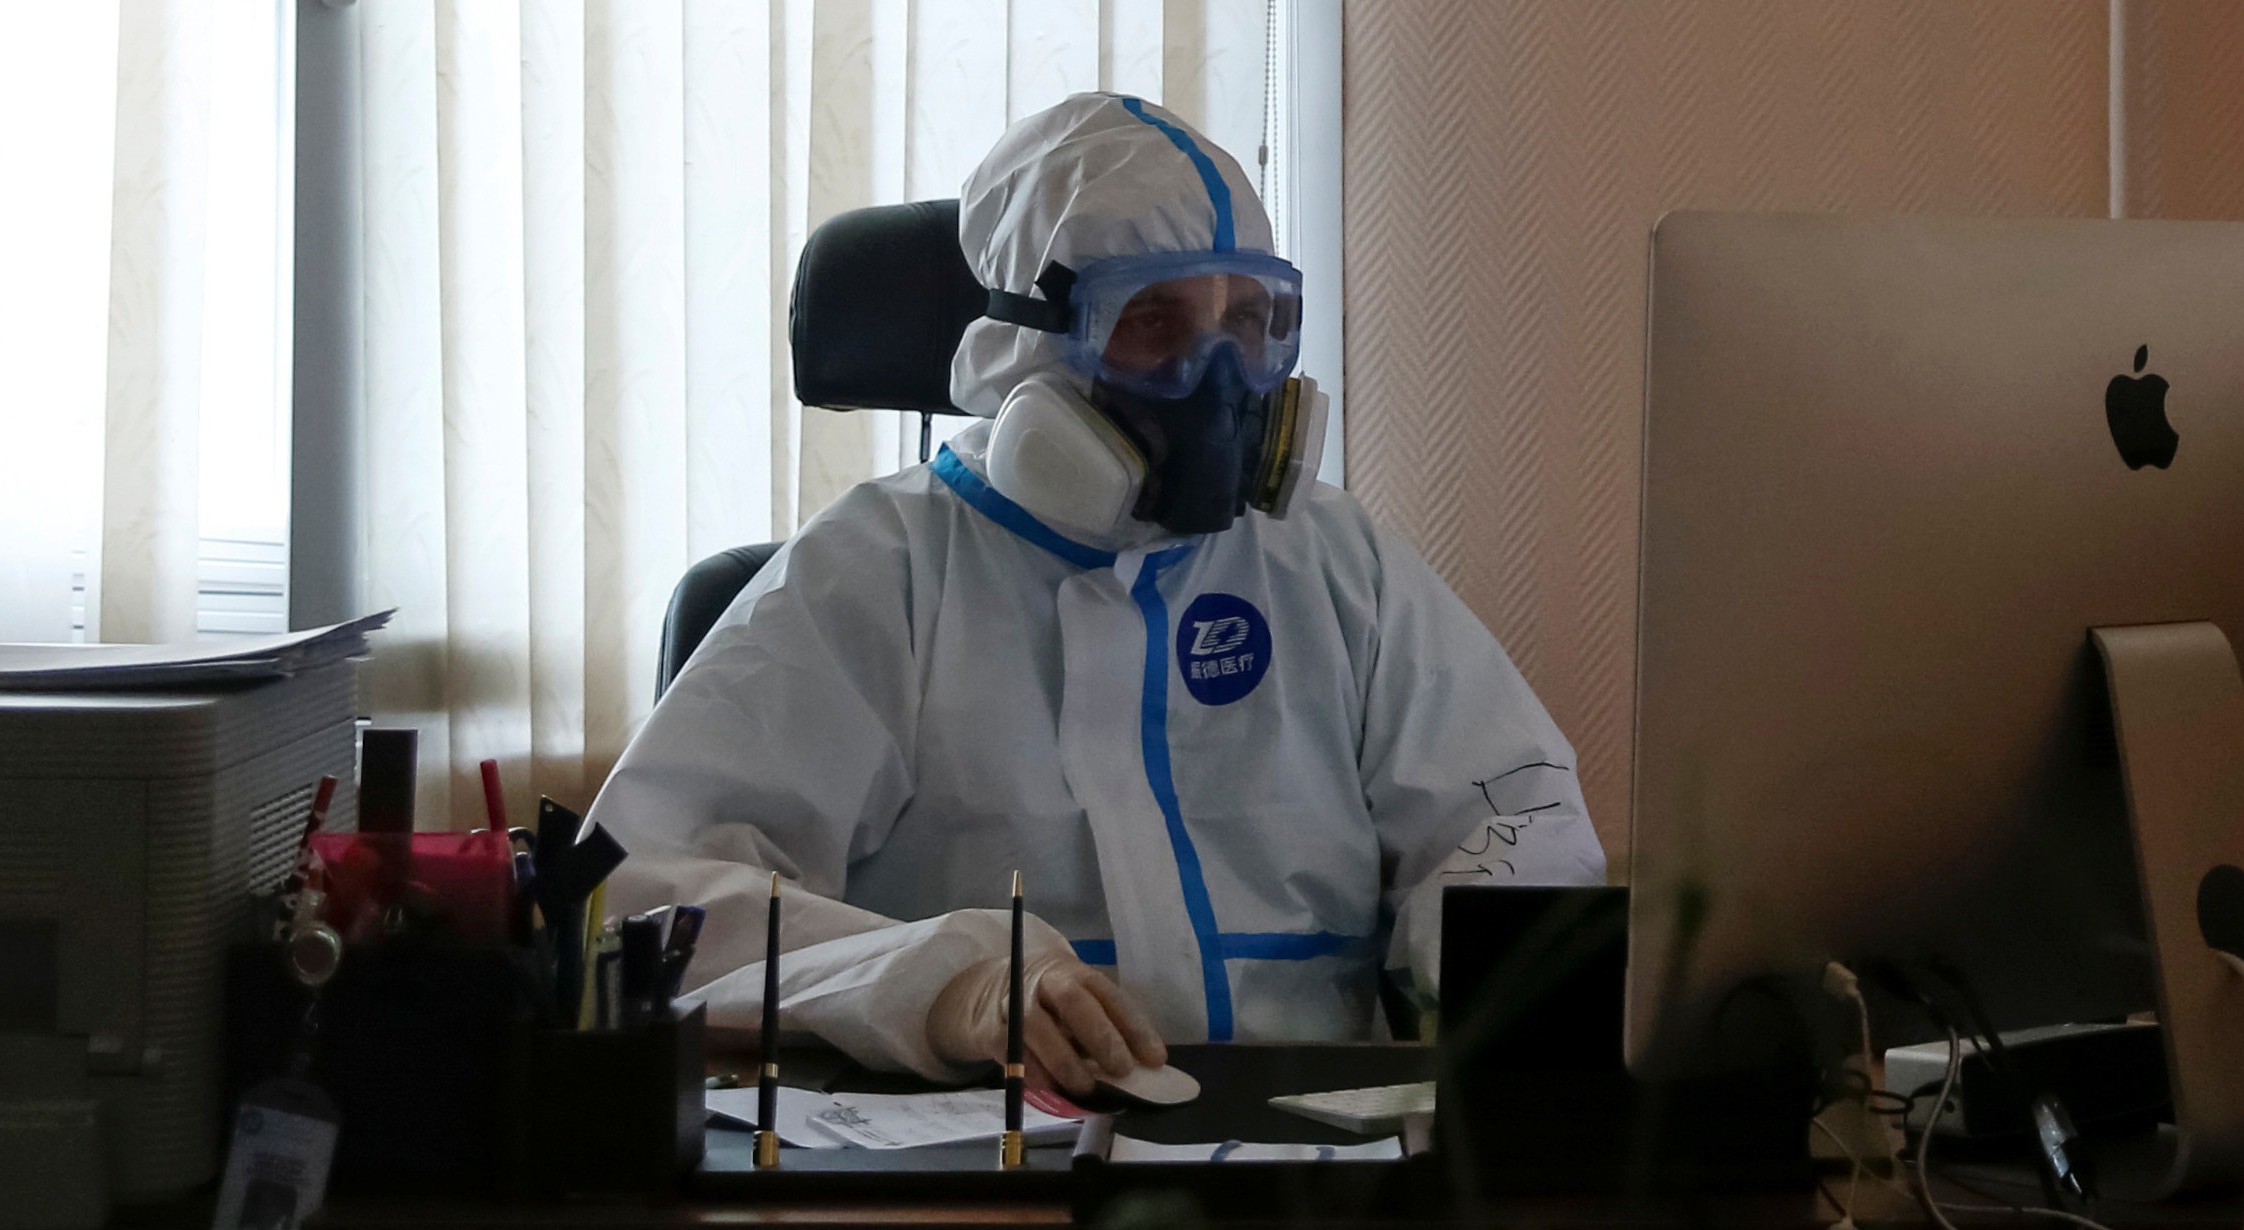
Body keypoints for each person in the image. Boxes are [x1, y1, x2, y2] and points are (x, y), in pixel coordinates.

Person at [593, 92, 1605, 1095]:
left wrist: (1502, 995)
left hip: (1313, 1141)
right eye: (1152, 320)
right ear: (1028, 342)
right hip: (986, 1144)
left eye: (1247, 320)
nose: (1218, 375)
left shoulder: (1332, 560)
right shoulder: (875, 571)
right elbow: (650, 902)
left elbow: (1510, 817)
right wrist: (945, 984)